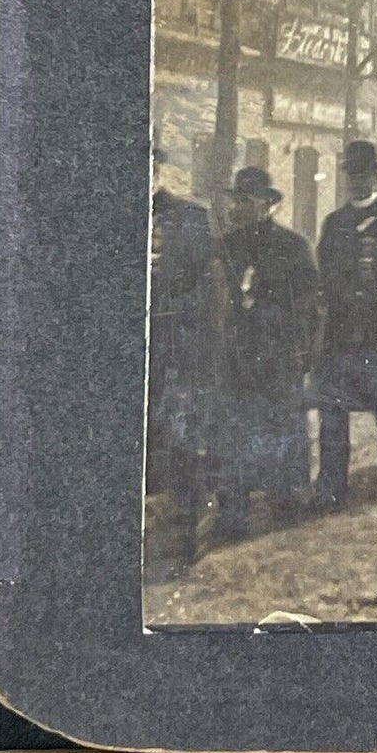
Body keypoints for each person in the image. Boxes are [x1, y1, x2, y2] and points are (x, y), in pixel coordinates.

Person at [213, 165, 322, 537]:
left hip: (278, 355)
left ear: (267, 204)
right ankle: (234, 511)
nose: (238, 208)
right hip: (238, 355)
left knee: (284, 427)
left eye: (246, 201)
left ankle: (287, 501)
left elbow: (309, 307)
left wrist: (300, 354)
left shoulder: (294, 247)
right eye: (236, 200)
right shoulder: (226, 246)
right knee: (236, 430)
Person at [311, 141, 377, 510]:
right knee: (333, 410)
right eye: (352, 176)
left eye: (365, 175)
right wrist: (345, 298)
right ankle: (332, 483)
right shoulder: (334, 223)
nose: (358, 183)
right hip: (343, 333)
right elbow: (324, 273)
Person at [148, 142, 222, 564]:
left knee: (180, 441)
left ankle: (189, 535)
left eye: (149, 164)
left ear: (159, 168)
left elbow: (207, 290)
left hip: (174, 351)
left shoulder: (189, 218)